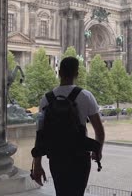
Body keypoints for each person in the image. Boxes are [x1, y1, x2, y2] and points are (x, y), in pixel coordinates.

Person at [31, 57, 105, 196]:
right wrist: (97, 151)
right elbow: (99, 131)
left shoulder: (46, 99)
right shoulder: (86, 96)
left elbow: (40, 134)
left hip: (56, 157)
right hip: (79, 157)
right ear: (77, 74)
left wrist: (37, 164)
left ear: (59, 73)